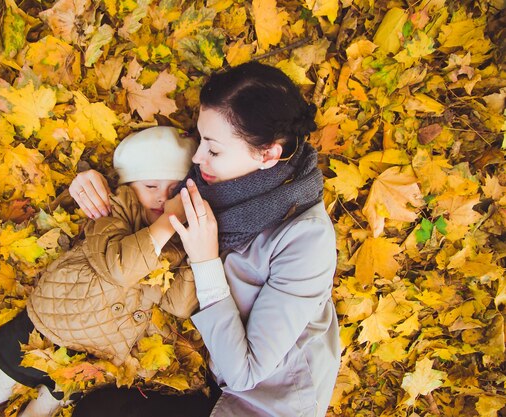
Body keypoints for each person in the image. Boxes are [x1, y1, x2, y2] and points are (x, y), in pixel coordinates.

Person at [69, 61, 341, 417]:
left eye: (212, 149)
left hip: (263, 401)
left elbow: (245, 372)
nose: (197, 159)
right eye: (199, 141)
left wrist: (205, 261)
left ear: (268, 154)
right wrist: (94, 182)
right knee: (96, 410)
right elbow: (153, 193)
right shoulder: (221, 177)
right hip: (209, 370)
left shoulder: (306, 241)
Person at [0, 126, 200, 417]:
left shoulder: (175, 243)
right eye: (151, 187)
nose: (163, 199)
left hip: (95, 353)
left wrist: (196, 249)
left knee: (43, 408)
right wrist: (165, 224)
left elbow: (181, 305)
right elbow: (119, 267)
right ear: (129, 185)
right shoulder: (113, 211)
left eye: (174, 191)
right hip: (57, 323)